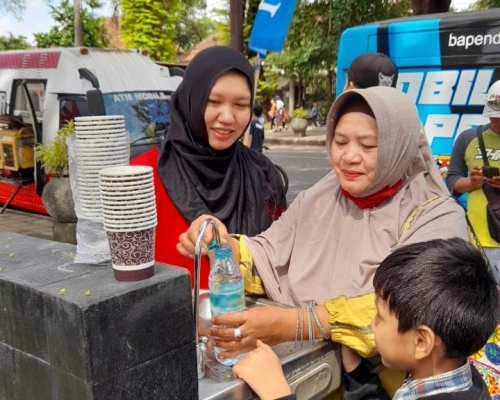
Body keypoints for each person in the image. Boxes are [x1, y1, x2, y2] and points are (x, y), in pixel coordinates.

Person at [178, 86, 469, 394]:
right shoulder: (319, 198)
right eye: (339, 142)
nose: (349, 157)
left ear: (398, 148)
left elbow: (411, 309)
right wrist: (219, 242)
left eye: (369, 146)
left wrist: (293, 324)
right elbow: (266, 254)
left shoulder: (435, 215)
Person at [233, 238, 498, 400]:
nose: (371, 325)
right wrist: (359, 376)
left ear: (421, 342)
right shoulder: (460, 378)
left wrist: (277, 393)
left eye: (380, 319)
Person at [129, 46, 287, 289]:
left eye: (241, 105)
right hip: (166, 322)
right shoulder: (139, 176)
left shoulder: (263, 174)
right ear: (191, 99)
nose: (227, 117)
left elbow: (280, 261)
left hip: (253, 323)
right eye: (213, 101)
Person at [446, 79, 500, 284]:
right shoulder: (468, 138)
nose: (498, 122)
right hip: (476, 239)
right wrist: (471, 183)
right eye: (495, 116)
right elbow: (451, 181)